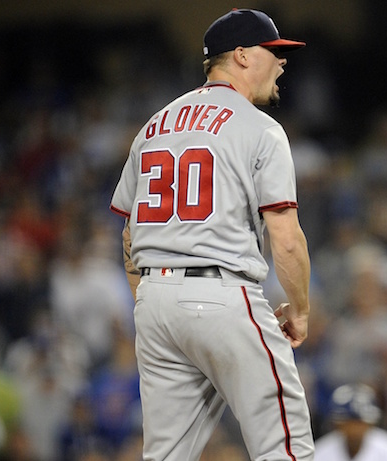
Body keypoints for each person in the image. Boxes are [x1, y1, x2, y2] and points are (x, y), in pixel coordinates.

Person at [109, 8, 314, 461]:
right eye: (273, 52)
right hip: (221, 294)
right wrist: (299, 310)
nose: (282, 63)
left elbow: (128, 234)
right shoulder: (260, 128)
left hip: (155, 302)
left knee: (164, 456)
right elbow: (285, 236)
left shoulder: (153, 126)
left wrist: (149, 298)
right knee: (287, 447)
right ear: (241, 56)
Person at [314, 383, 387, 461]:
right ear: (337, 424)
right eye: (348, 422)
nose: (354, 429)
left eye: (359, 422)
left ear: (371, 423)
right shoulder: (319, 454)